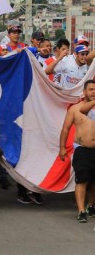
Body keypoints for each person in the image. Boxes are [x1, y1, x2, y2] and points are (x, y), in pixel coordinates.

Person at [59, 80, 95, 223]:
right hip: (82, 149)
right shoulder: (76, 109)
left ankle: (91, 205)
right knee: (82, 180)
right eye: (91, 89)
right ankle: (81, 210)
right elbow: (65, 129)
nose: (93, 92)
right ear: (84, 92)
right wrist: (62, 148)